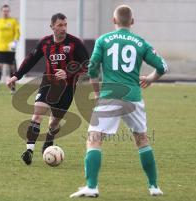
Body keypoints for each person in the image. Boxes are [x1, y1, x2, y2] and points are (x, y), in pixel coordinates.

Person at [70, 4, 168, 198]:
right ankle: (154, 186)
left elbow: (92, 69)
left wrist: (97, 93)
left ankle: (92, 186)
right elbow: (163, 66)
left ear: (114, 20)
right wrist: (150, 78)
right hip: (134, 97)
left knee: (94, 138)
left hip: (110, 96)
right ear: (132, 22)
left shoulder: (103, 40)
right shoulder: (140, 43)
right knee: (142, 140)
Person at [7, 13, 89, 165]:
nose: (63, 28)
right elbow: (30, 59)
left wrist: (68, 72)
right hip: (48, 83)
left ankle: (49, 139)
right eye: (60, 25)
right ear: (52, 27)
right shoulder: (45, 43)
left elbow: (87, 64)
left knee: (53, 123)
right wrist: (16, 76)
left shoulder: (74, 43)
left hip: (67, 87)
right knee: (37, 114)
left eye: (65, 25)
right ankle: (29, 151)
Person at [0, 4, 20, 95]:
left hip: (10, 49)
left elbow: (17, 33)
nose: (5, 12)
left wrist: (15, 42)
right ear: (1, 11)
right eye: (4, 11)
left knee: (12, 68)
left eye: (7, 11)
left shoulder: (13, 21)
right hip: (0, 48)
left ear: (9, 11)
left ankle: (13, 89)